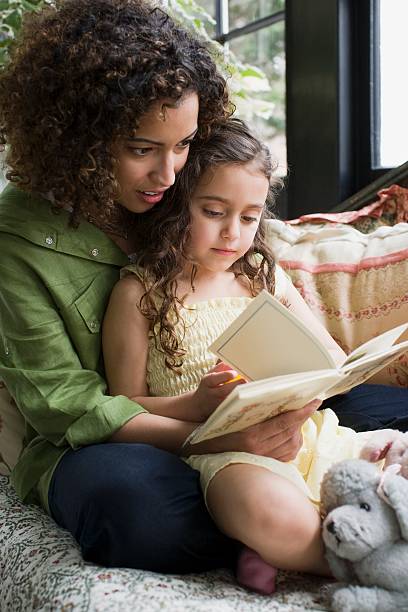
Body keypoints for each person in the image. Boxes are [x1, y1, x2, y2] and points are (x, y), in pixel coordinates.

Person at [0, 0, 406, 579]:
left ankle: (293, 515)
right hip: (119, 442)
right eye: (141, 149)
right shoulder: (16, 242)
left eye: (184, 145)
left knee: (391, 411)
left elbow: (260, 277)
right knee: (135, 512)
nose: (168, 177)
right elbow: (69, 410)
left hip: (256, 409)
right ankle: (303, 524)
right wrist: (214, 437)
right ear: (76, 139)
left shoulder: (189, 194)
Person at [102, 118, 406, 592]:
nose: (232, 234)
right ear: (177, 203)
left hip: (302, 432)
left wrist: (325, 378)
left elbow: (327, 355)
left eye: (248, 218)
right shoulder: (139, 294)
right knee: (265, 510)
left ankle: (372, 543)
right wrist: (195, 405)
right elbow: (122, 409)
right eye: (214, 211)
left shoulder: (260, 276)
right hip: (227, 454)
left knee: (393, 457)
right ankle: (373, 565)